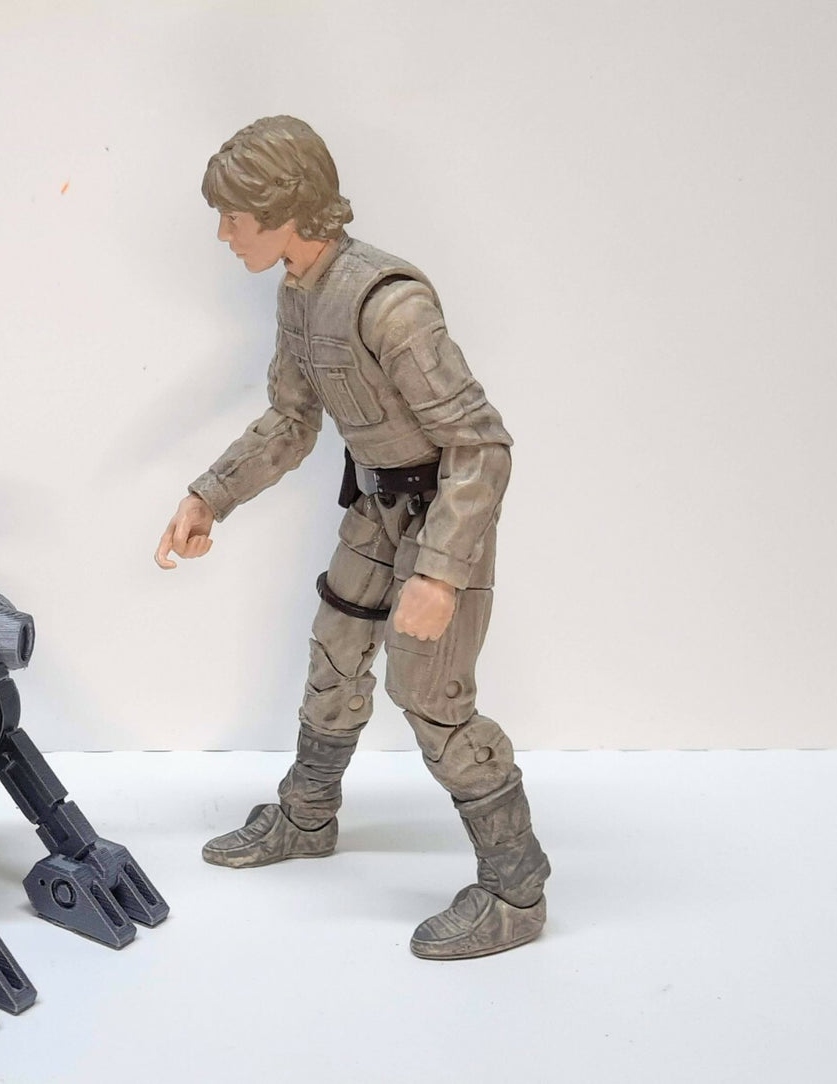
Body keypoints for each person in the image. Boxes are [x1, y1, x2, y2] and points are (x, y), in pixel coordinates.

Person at [154, 116, 550, 959]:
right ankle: (306, 816)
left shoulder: (388, 303)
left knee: (431, 700)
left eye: (234, 217)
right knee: (334, 657)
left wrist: (438, 573)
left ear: (284, 208)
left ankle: (514, 890)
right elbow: (291, 419)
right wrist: (209, 496)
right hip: (375, 508)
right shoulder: (299, 292)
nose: (224, 235)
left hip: (442, 518)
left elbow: (480, 445)